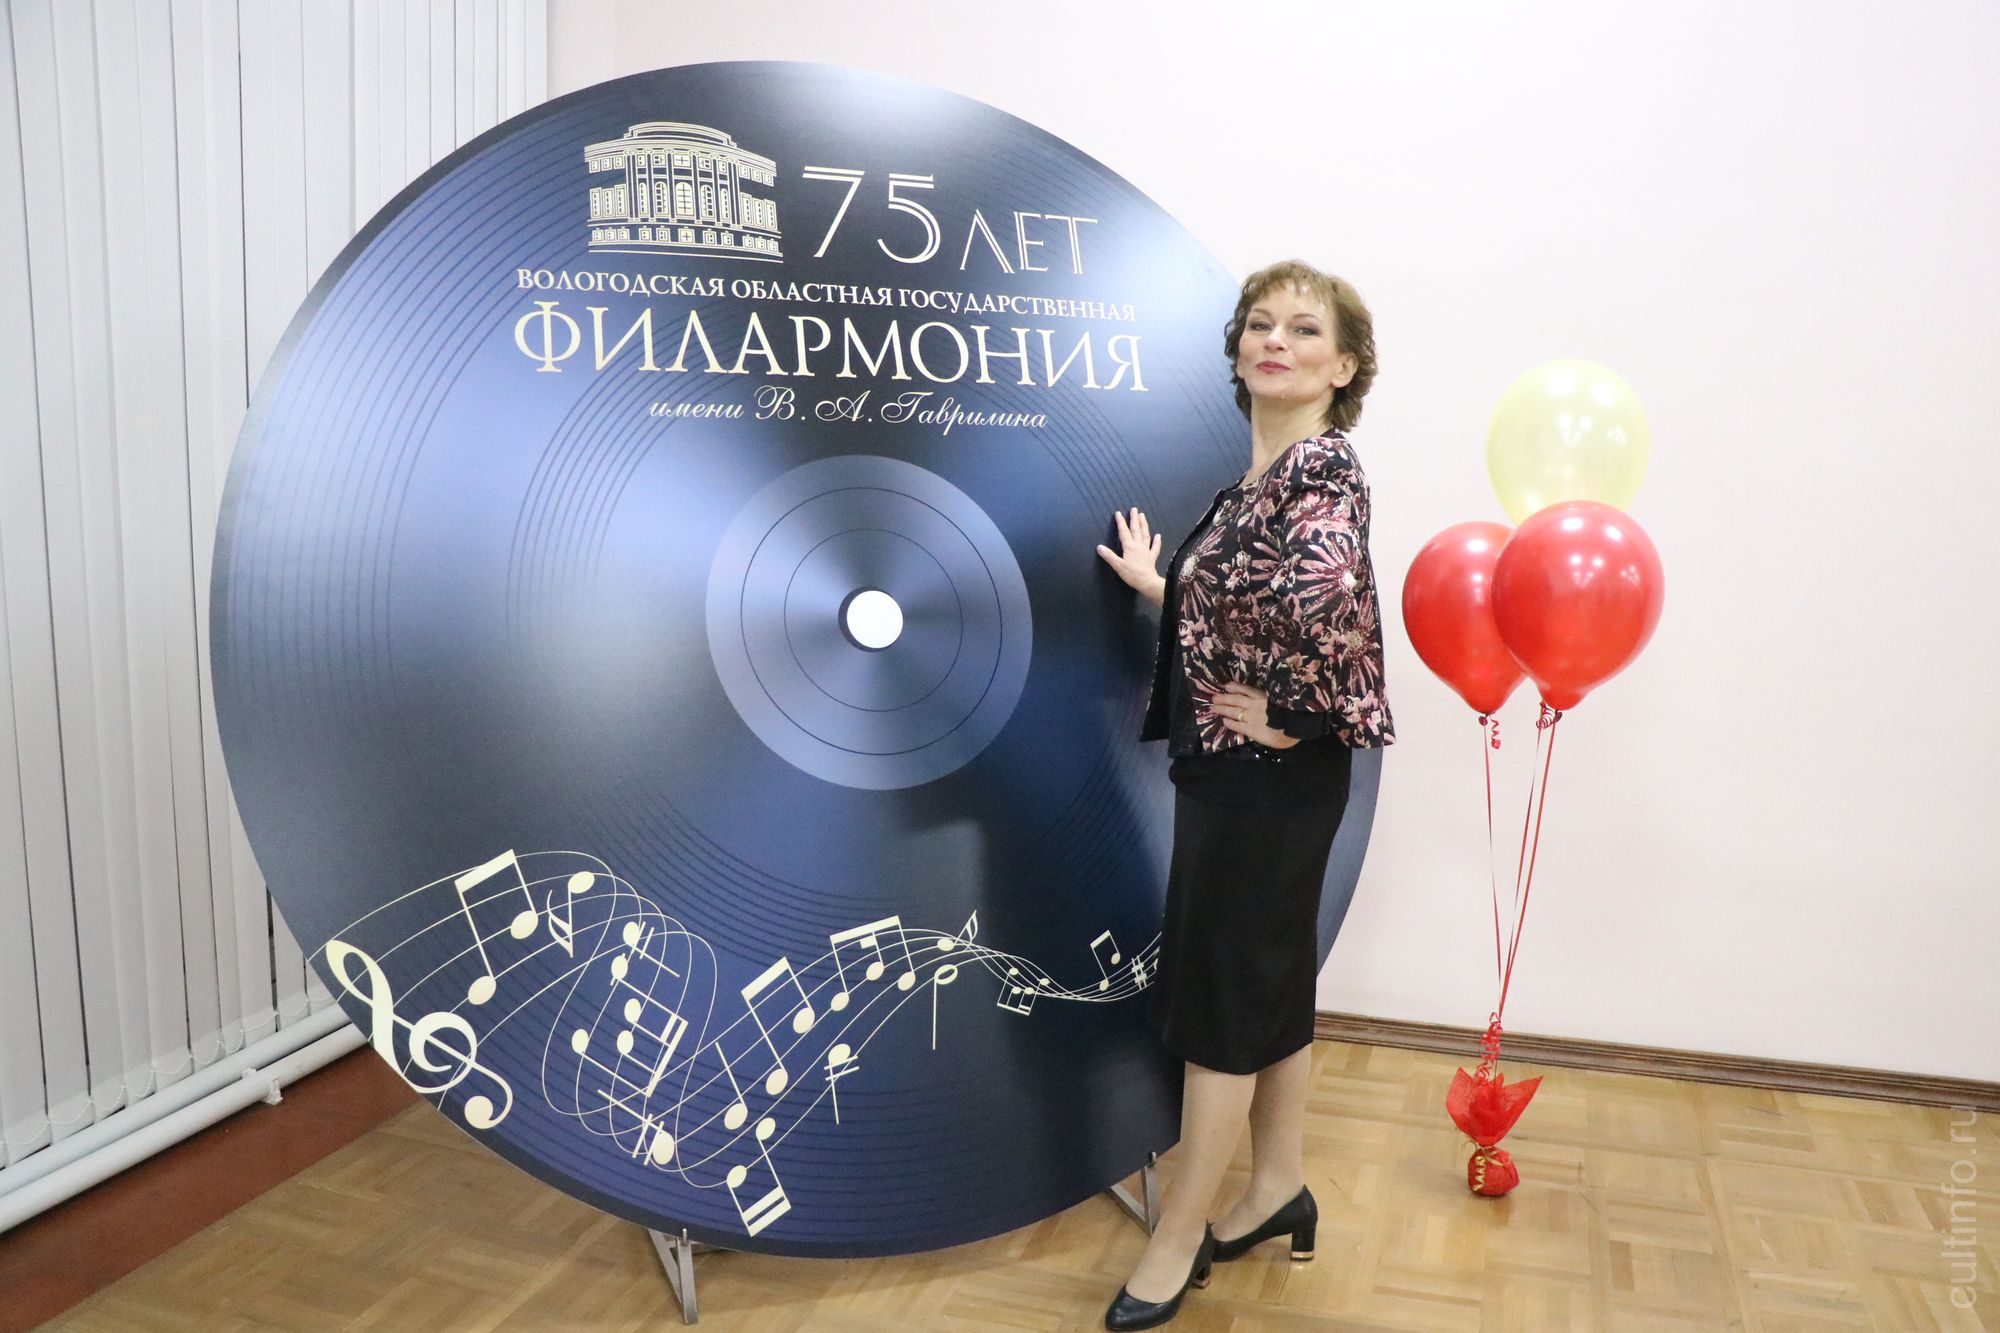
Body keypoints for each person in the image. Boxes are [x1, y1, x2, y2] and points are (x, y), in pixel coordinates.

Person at [1092, 259, 1395, 1329]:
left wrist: (1299, 715)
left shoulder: (1319, 467)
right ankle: (1275, 1187)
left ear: (1343, 366)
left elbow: (1333, 597)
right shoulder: (1267, 478)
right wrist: (1163, 585)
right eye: (1259, 324)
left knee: (1221, 1004)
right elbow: (1255, 601)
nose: (1275, 340)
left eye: (1305, 329)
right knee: (1266, 982)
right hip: (1249, 773)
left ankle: (1178, 1235)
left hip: (1265, 776)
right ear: (1236, 351)